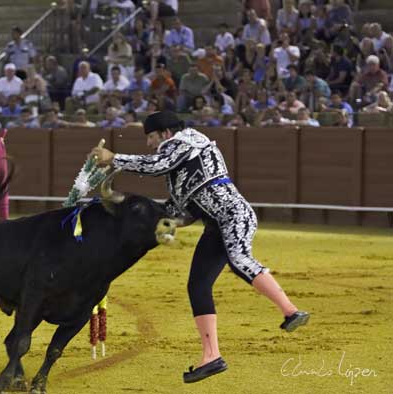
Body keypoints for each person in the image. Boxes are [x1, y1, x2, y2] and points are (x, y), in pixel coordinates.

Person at [90, 110, 310, 383]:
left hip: (233, 213)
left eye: (151, 137)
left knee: (239, 259)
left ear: (166, 133)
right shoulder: (181, 167)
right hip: (216, 224)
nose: (149, 144)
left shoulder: (185, 140)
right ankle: (211, 356)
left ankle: (291, 311)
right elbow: (178, 209)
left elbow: (158, 164)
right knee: (198, 285)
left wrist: (115, 159)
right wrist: (154, 218)